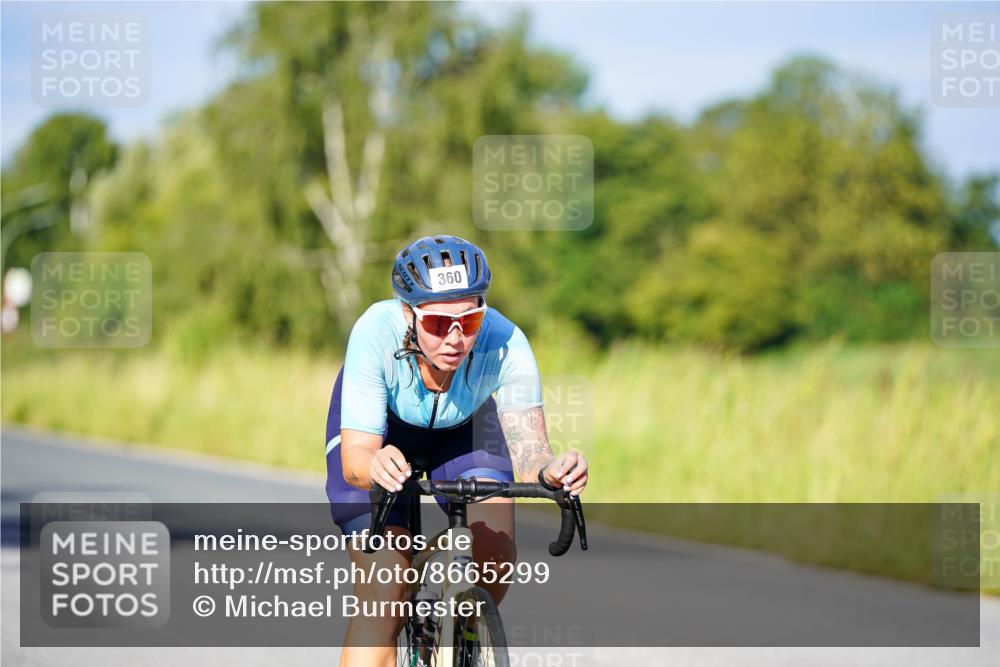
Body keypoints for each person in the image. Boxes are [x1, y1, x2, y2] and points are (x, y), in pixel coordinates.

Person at [325, 235, 588, 667]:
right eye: (436, 323)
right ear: (407, 313)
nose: (454, 338)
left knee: (496, 555)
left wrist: (552, 471)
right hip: (380, 437)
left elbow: (531, 456)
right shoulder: (374, 332)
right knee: (385, 592)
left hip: (462, 431)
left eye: (469, 322)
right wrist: (375, 463)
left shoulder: (506, 344)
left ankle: (460, 640)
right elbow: (356, 461)